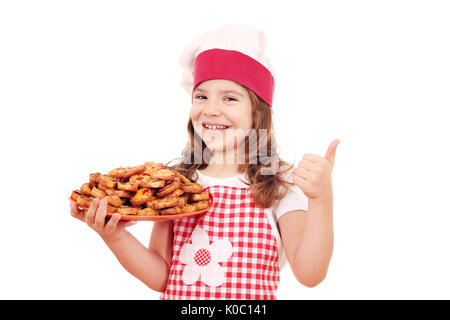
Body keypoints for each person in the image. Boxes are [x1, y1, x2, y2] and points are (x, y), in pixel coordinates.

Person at [70, 24, 340, 300]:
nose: (211, 109)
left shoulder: (280, 184)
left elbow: (310, 275)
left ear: (257, 111)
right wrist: (114, 236)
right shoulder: (176, 183)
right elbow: (162, 277)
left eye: (229, 98)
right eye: (201, 96)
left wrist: (321, 200)